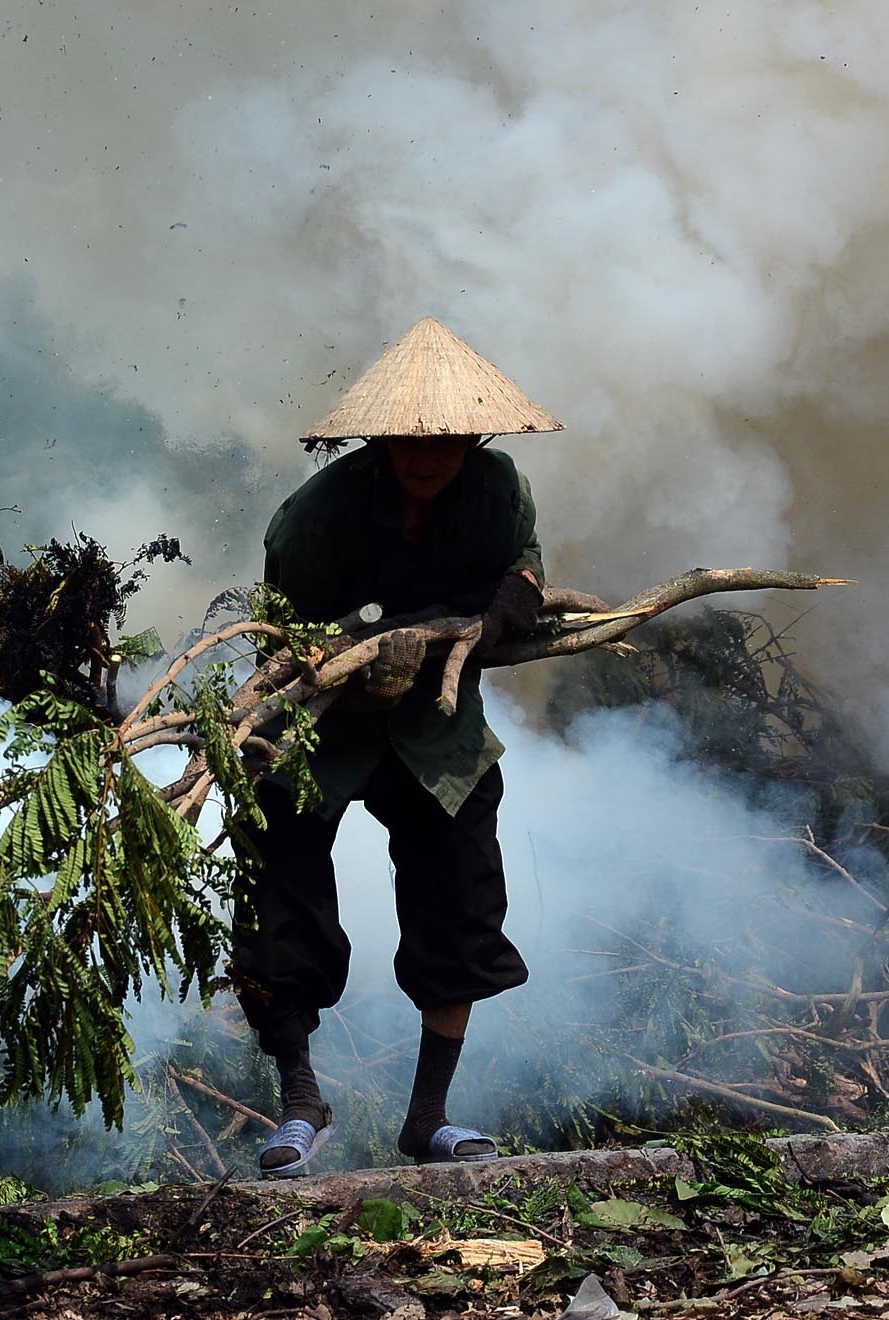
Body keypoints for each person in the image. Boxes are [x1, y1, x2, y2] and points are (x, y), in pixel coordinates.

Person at [233, 317, 561, 1176]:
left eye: (446, 438)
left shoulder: (497, 490)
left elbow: (520, 573)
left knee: (459, 896)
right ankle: (301, 1102)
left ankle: (428, 1120)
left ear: (472, 435)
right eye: (409, 438)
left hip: (436, 724)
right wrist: (360, 654)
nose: (428, 455)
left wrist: (484, 621)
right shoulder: (316, 519)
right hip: (323, 721)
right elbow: (290, 638)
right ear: (378, 438)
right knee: (279, 893)